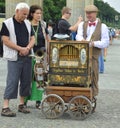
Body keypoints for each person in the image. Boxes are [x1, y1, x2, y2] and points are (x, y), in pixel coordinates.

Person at [0, 2, 35, 117]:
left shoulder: (28, 24)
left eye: (27, 14)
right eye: (23, 14)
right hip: (14, 56)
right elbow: (5, 40)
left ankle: (22, 104)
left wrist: (28, 48)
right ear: (17, 11)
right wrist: (20, 48)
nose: (25, 16)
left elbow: (33, 38)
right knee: (12, 80)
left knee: (26, 80)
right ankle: (5, 107)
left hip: (27, 55)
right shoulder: (7, 23)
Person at [76, 5, 109, 97]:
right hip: (82, 55)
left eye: (90, 13)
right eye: (87, 13)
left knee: (93, 76)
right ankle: (79, 96)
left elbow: (105, 42)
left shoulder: (103, 26)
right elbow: (78, 36)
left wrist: (93, 43)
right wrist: (82, 40)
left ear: (95, 13)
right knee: (80, 76)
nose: (88, 15)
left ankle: (92, 95)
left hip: (94, 56)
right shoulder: (82, 24)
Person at [24, 5, 49, 109]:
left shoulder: (43, 25)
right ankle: (24, 101)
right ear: (32, 14)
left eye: (40, 13)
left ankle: (38, 100)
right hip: (29, 53)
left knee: (39, 77)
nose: (39, 15)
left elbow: (48, 39)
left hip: (40, 53)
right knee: (27, 77)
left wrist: (48, 54)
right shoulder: (26, 24)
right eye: (37, 13)